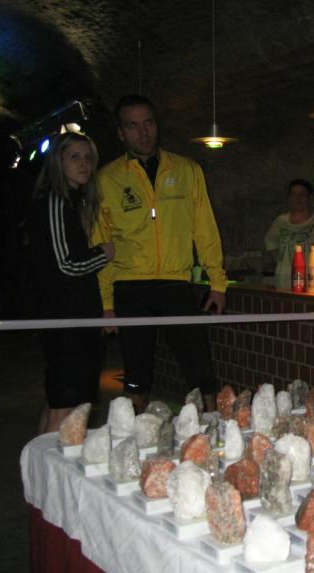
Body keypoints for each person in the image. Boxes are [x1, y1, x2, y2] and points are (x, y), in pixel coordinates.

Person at [92, 95, 227, 413]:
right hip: (130, 286)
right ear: (120, 133)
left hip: (175, 283)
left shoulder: (186, 170)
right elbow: (101, 243)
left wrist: (218, 282)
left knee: (199, 366)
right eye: (133, 126)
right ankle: (136, 431)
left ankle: (213, 427)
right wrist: (106, 303)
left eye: (148, 123)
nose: (143, 132)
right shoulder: (107, 179)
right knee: (136, 373)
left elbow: (204, 229)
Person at [29, 132, 114, 433]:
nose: (84, 164)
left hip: (75, 318)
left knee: (64, 404)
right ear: (58, 162)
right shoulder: (55, 201)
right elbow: (66, 264)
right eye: (75, 157)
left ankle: (42, 463)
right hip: (66, 319)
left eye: (88, 158)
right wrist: (103, 253)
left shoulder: (70, 203)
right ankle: (50, 465)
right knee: (65, 406)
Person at [264, 179, 314, 290]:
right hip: (287, 278)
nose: (298, 198)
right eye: (294, 195)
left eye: (302, 194)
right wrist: (282, 260)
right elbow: (270, 241)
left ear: (309, 197)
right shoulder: (281, 221)